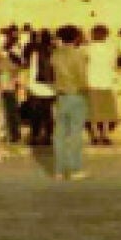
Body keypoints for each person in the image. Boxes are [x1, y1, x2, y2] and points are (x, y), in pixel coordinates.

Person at [49, 25, 89, 179]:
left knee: (59, 134)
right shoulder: (79, 55)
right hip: (76, 94)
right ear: (76, 38)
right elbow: (81, 76)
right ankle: (75, 169)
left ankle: (59, 170)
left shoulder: (55, 55)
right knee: (75, 134)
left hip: (61, 95)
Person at [84, 25, 119, 147]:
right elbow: (113, 64)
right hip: (106, 81)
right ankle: (105, 135)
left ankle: (95, 135)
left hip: (91, 81)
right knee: (106, 111)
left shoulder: (87, 49)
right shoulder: (111, 49)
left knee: (93, 111)